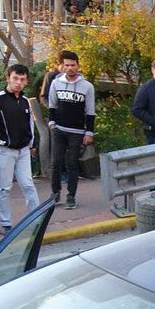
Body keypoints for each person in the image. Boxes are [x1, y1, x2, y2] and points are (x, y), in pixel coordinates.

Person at [0, 64, 39, 234]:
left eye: (22, 79)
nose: (18, 82)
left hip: (23, 150)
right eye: (15, 78)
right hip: (4, 151)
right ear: (8, 78)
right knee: (4, 187)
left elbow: (30, 124)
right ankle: (6, 222)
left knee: (28, 184)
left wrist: (31, 143)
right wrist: (4, 141)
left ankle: (35, 220)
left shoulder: (24, 100)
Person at [46, 50, 95, 210]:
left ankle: (71, 196)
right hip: (59, 129)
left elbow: (90, 111)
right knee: (56, 163)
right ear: (62, 66)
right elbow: (52, 105)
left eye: (73, 65)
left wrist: (89, 132)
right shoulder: (55, 83)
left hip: (77, 131)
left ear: (78, 65)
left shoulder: (87, 86)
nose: (70, 68)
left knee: (72, 163)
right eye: (67, 65)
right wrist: (52, 123)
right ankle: (55, 194)